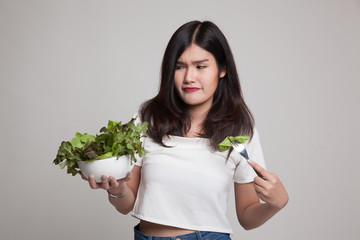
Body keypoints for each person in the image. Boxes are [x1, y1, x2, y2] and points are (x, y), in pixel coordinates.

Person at [80, 20, 289, 240]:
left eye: (200, 66)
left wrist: (275, 205)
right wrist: (116, 190)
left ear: (222, 69)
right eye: (180, 66)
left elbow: (247, 216)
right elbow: (126, 205)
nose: (189, 77)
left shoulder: (240, 132)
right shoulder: (147, 120)